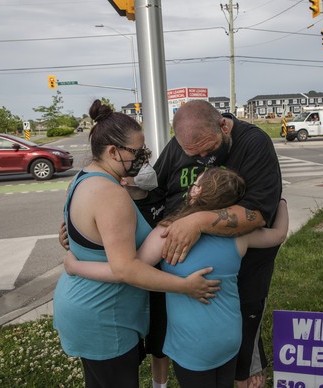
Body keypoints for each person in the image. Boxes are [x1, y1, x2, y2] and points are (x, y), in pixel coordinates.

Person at [59, 99, 283, 387]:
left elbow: (259, 214)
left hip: (223, 279)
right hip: (112, 312)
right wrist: (85, 232)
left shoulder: (253, 143)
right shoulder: (113, 190)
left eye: (208, 149)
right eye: (193, 153)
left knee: (241, 358)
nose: (202, 157)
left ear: (223, 126)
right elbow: (155, 193)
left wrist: (196, 221)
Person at [52, 100, 220, 388]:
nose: (143, 158)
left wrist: (76, 260)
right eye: (137, 152)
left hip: (84, 309)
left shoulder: (81, 180)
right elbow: (126, 270)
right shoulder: (110, 194)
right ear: (113, 151)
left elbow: (83, 234)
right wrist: (186, 287)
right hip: (105, 317)